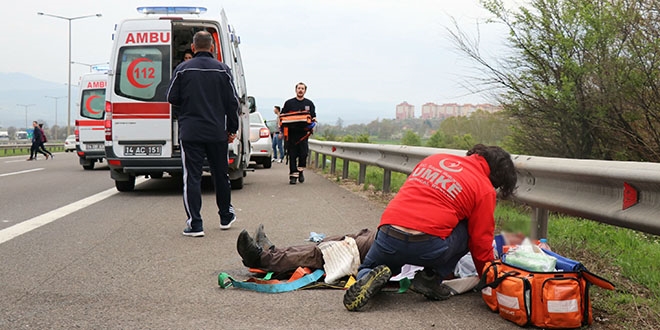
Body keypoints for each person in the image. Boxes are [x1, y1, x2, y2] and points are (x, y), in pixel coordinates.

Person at [342, 144, 518, 311]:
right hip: (427, 247)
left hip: (389, 234)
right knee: (468, 228)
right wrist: (487, 280)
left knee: (369, 265)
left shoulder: (434, 159)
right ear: (496, 178)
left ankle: (367, 276)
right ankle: (430, 279)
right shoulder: (484, 188)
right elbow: (480, 241)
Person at [166, 31, 240, 237]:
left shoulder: (182, 70)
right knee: (221, 174)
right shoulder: (223, 70)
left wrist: (188, 105)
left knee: (192, 177)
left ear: (193, 47)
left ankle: (195, 224)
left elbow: (171, 97)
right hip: (217, 132)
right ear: (212, 48)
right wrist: (232, 129)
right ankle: (225, 216)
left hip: (191, 132)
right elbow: (232, 103)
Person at [281, 82, 316, 184]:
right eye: (299, 88)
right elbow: (283, 116)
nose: (300, 90)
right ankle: (293, 176)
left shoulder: (309, 104)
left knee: (303, 154)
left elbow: (313, 116)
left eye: (302, 88)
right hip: (291, 134)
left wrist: (313, 121)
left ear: (305, 91)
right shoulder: (289, 103)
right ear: (295, 90)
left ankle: (300, 171)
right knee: (292, 155)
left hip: (304, 134)